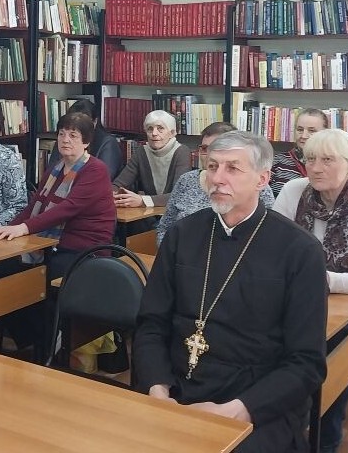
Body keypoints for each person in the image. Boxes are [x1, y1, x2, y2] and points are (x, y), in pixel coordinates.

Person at [133, 130, 327, 453]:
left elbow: (306, 362)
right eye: (212, 167)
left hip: (255, 404)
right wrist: (157, 388)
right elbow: (151, 323)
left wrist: (238, 410)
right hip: (176, 390)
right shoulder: (183, 234)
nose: (217, 178)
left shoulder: (300, 250)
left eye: (232, 168)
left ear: (262, 179)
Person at [273, 129, 348, 453]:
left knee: (331, 354)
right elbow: (271, 250)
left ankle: (323, 441)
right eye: (311, 159)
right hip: (302, 300)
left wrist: (321, 280)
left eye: (327, 160)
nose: (315, 168)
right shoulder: (294, 190)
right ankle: (282, 431)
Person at [0, 112, 116, 280]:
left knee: (31, 274)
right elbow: (34, 205)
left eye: (73, 136)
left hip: (84, 249)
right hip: (50, 242)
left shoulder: (96, 170)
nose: (65, 140)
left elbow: (67, 208)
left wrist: (23, 228)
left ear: (86, 142)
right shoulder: (56, 168)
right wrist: (7, 229)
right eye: (61, 134)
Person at [156, 122, 275, 246]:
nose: (209, 154)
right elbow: (165, 227)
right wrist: (171, 251)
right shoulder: (186, 180)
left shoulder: (257, 187)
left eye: (232, 168)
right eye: (204, 148)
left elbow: (267, 228)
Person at [112, 110, 191, 208]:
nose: (154, 133)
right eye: (150, 129)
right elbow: (119, 184)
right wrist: (112, 193)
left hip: (175, 212)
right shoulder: (142, 152)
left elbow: (180, 195)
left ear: (172, 133)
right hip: (150, 212)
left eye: (160, 128)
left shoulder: (181, 152)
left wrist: (143, 201)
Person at [47, 98, 123, 180]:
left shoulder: (107, 142)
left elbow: (102, 178)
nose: (66, 139)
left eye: (83, 123)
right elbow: (51, 171)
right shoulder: (64, 139)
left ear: (95, 122)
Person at [269, 107, 329, 197]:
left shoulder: (331, 165)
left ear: (325, 133)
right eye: (300, 130)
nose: (304, 136)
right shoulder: (277, 162)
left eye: (311, 131)